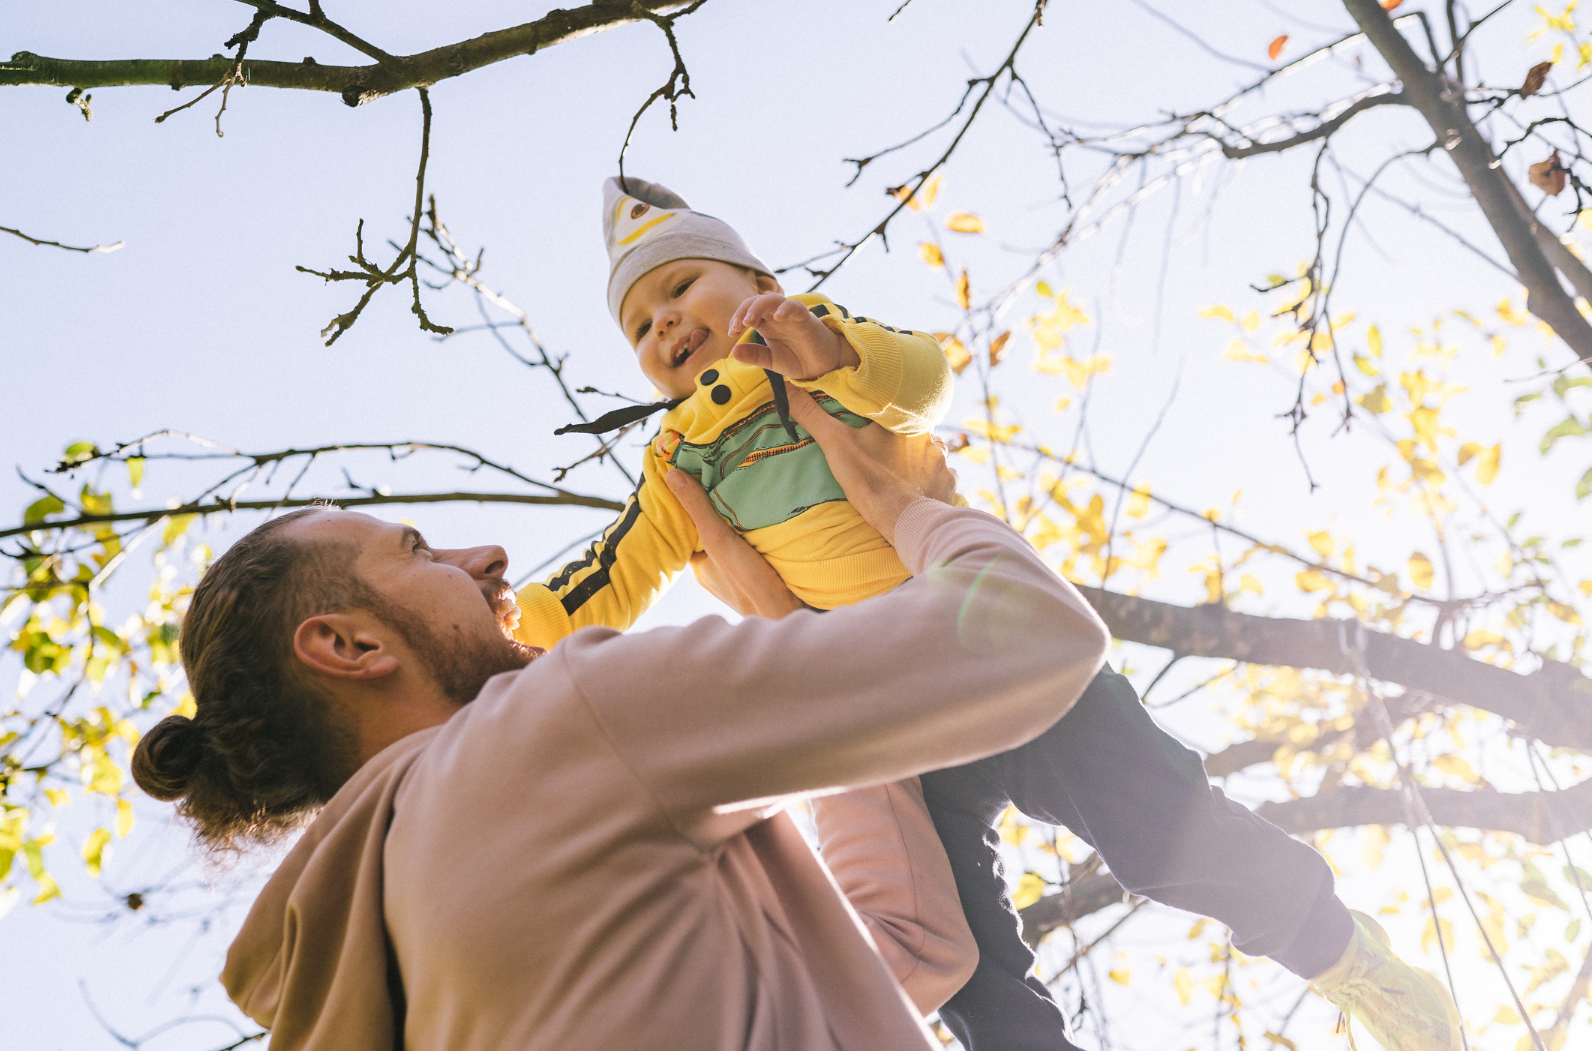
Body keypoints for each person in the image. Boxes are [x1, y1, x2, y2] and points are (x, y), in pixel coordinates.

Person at [511, 175, 1464, 1051]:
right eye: (639, 325)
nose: (664, 321)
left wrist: (827, 348)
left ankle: (1350, 960)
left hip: (983, 644)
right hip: (883, 728)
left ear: (756, 279)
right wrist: (504, 632)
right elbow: (605, 581)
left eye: (680, 285)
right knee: (952, 958)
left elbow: (920, 380)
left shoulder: (815, 347)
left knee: (1157, 829)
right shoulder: (674, 464)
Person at [132, 388, 1113, 1051]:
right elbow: (1031, 633)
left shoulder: (382, 967)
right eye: (422, 550)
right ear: (348, 647)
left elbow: (899, 953)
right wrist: (900, 500)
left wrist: (784, 631)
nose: (488, 557)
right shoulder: (557, 721)